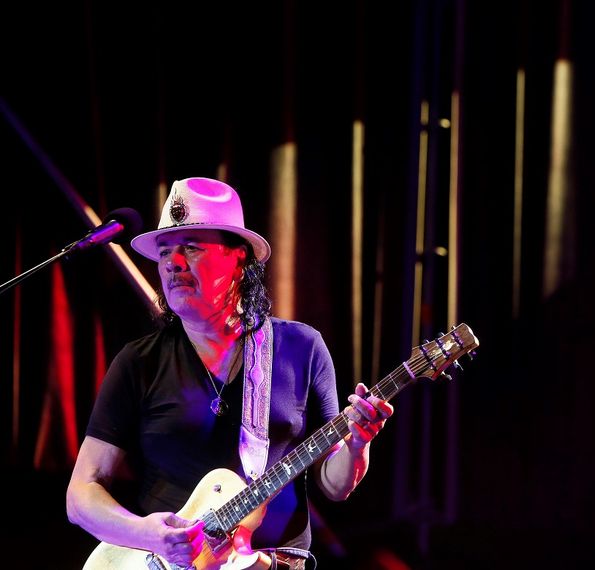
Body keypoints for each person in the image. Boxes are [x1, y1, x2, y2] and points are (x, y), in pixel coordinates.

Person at [67, 177, 393, 570]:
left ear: (239, 258)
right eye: (167, 252)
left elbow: (335, 485)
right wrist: (151, 535)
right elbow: (80, 495)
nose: (174, 263)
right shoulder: (138, 362)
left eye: (191, 248)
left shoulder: (301, 349)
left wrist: (358, 445)